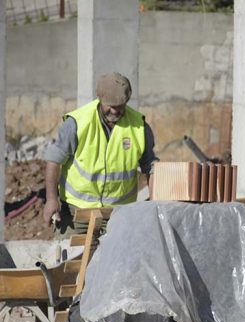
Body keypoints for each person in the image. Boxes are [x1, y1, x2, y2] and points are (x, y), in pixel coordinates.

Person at [42, 72, 158, 235]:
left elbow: (151, 167)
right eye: (110, 105)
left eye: (120, 106)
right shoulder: (77, 123)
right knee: (71, 258)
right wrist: (51, 199)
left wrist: (154, 204)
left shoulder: (139, 126)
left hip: (119, 215)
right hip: (77, 213)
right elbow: (54, 161)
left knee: (119, 260)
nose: (115, 111)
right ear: (100, 98)